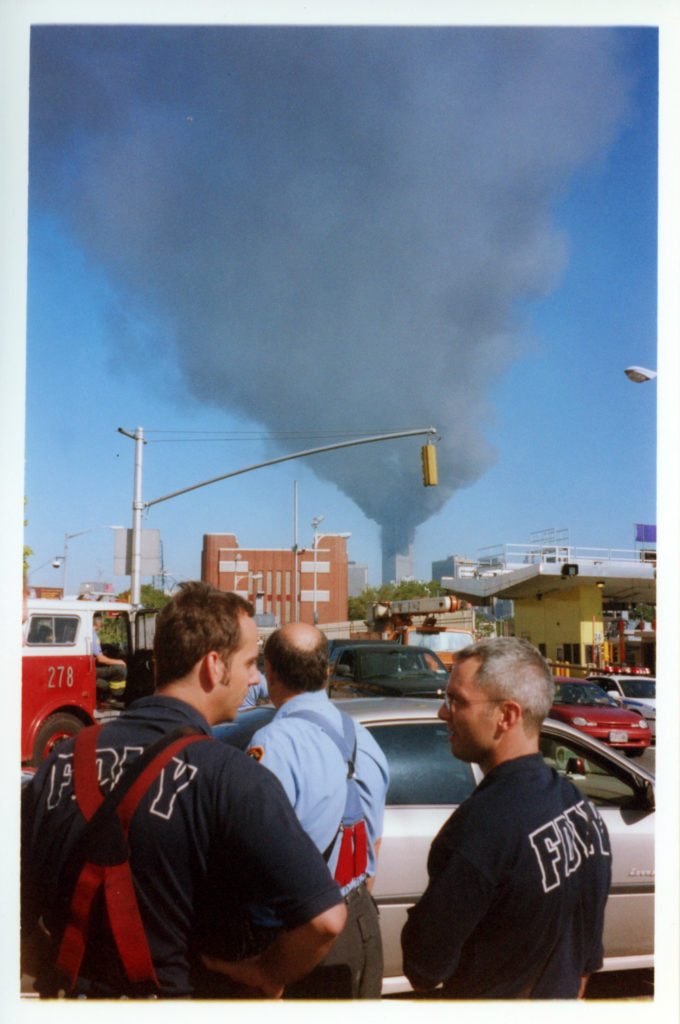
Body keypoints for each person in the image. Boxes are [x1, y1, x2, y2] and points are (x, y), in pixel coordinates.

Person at [21, 582, 346, 999]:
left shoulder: (61, 759)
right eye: (249, 663)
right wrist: (267, 972)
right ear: (214, 666)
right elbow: (326, 920)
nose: (255, 678)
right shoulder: (232, 776)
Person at [401, 637, 612, 1000]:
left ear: (507, 716)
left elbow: (423, 969)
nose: (443, 712)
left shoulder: (480, 828)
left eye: (456, 701)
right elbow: (584, 964)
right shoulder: (579, 808)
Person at [244, 623, 389, 998]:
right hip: (363, 928)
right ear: (326, 671)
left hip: (305, 940)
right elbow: (374, 846)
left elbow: (254, 855)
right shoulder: (365, 737)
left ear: (269, 671)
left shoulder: (272, 743)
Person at [92, 612, 127, 703]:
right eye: (100, 620)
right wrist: (119, 661)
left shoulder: (89, 633)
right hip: (92, 670)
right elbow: (101, 659)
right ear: (98, 622)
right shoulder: (93, 635)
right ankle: (115, 697)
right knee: (120, 669)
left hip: (89, 667)